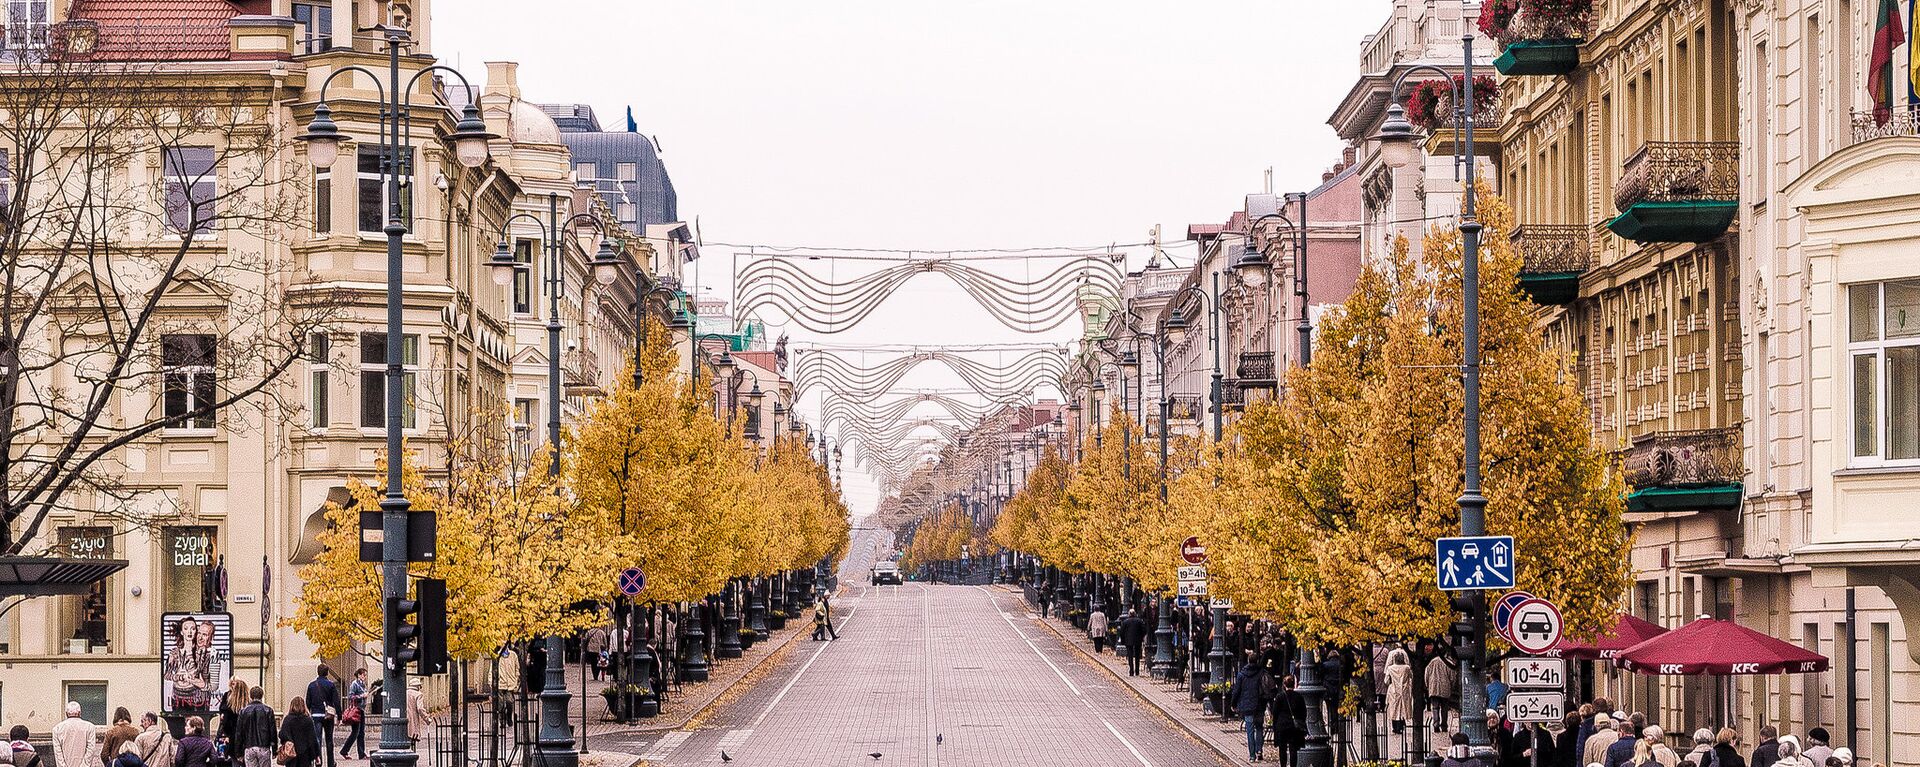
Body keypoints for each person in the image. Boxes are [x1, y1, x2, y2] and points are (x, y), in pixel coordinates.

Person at [1227, 652, 1273, 762]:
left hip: (1247, 705)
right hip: (1260, 704)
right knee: (1259, 727)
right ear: (1257, 661)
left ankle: (1252, 756)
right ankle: (1259, 751)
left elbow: (1237, 691)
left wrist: (1233, 704)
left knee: (1250, 730)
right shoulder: (1262, 672)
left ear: (1248, 660)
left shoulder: (1242, 674)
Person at [231, 687, 276, 767]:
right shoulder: (268, 710)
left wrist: (238, 752)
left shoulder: (243, 711)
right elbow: (273, 731)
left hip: (249, 746)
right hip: (264, 747)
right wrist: (274, 750)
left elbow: (239, 733)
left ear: (251, 696)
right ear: (262, 695)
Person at [303, 666, 338, 767]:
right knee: (329, 740)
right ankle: (331, 762)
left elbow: (308, 701)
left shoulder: (312, 685)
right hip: (328, 715)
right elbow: (336, 701)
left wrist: (309, 711)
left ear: (317, 672)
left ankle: (319, 761)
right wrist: (339, 715)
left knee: (317, 739)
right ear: (327, 673)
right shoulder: (331, 685)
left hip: (316, 715)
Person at [52, 702, 99, 767]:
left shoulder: (57, 729)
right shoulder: (90, 727)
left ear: (66, 714)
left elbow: (58, 753)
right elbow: (91, 749)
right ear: (80, 713)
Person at [276, 699, 317, 767]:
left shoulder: (288, 719)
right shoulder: (308, 720)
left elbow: (282, 735)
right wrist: (316, 755)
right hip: (305, 755)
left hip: (291, 753)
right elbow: (312, 739)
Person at [339, 669, 367, 761]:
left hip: (361, 709)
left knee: (361, 733)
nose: (364, 677)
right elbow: (351, 696)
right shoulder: (354, 684)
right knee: (355, 732)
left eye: (365, 675)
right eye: (363, 675)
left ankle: (361, 753)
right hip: (356, 710)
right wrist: (361, 696)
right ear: (359, 675)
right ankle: (344, 750)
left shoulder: (362, 684)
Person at [1385, 648, 1415, 734]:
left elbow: (1386, 681)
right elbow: (1411, 677)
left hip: (1393, 690)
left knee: (1394, 708)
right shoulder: (1407, 668)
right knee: (1403, 708)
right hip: (1404, 690)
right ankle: (1402, 724)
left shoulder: (1390, 668)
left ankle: (1395, 727)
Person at [216, 678, 248, 754]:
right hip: (243, 736)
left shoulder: (228, 704)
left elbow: (225, 719)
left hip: (232, 734)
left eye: (234, 684)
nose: (233, 686)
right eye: (232, 684)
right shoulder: (247, 701)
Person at [1118, 610, 1149, 677]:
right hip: (1138, 641)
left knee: (1130, 656)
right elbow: (1144, 630)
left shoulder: (1125, 622)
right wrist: (1141, 637)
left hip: (1128, 641)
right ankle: (1137, 671)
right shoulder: (1139, 621)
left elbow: (1121, 632)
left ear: (1129, 614)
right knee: (1137, 656)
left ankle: (1131, 671)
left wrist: (1123, 640)